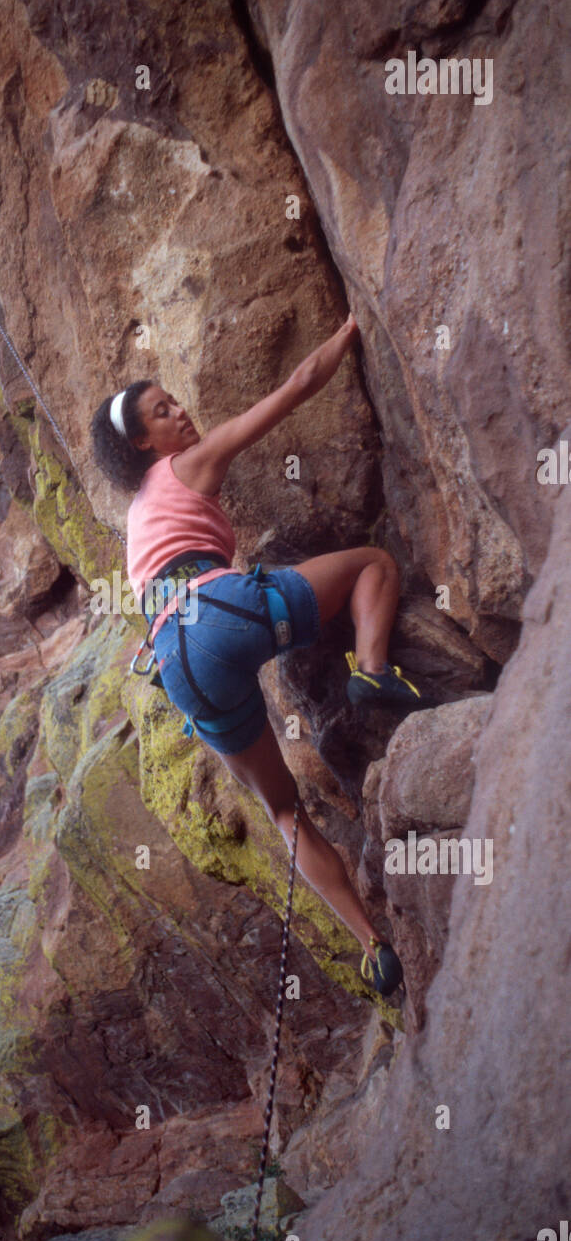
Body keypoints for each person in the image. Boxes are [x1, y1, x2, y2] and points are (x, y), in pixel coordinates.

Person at [90, 314, 422, 997]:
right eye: (163, 410)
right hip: (217, 614)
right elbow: (296, 386)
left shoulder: (136, 522)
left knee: (281, 810)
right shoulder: (185, 465)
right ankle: (371, 671)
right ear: (146, 443)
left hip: (177, 669)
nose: (180, 410)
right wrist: (354, 322)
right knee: (371, 567)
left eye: (173, 401)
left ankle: (373, 946)